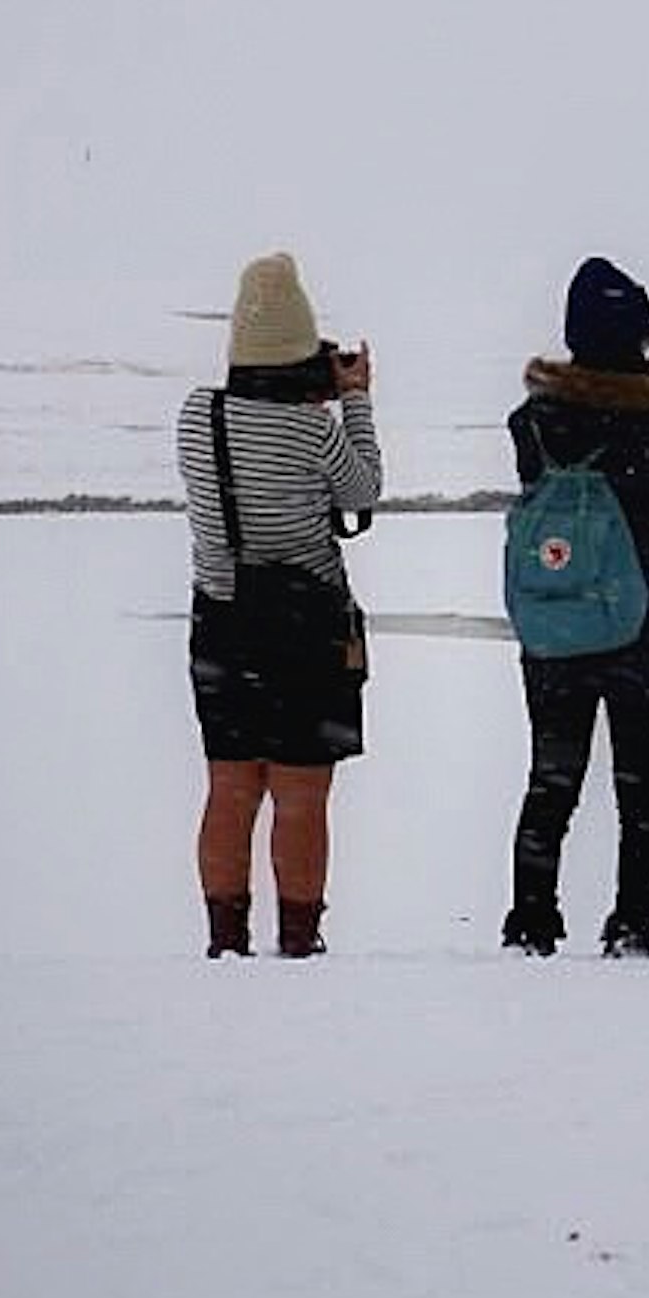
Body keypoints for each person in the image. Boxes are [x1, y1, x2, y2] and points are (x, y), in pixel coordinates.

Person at [501, 255, 649, 958]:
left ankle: (532, 919)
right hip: (643, 625)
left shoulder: (534, 419)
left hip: (556, 620)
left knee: (552, 777)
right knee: (642, 785)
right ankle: (635, 921)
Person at [176, 252, 379, 958]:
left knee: (229, 788)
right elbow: (362, 492)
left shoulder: (196, 415)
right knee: (300, 795)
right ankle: (298, 941)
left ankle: (225, 940)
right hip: (305, 628)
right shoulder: (313, 429)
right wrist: (352, 399)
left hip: (221, 622)